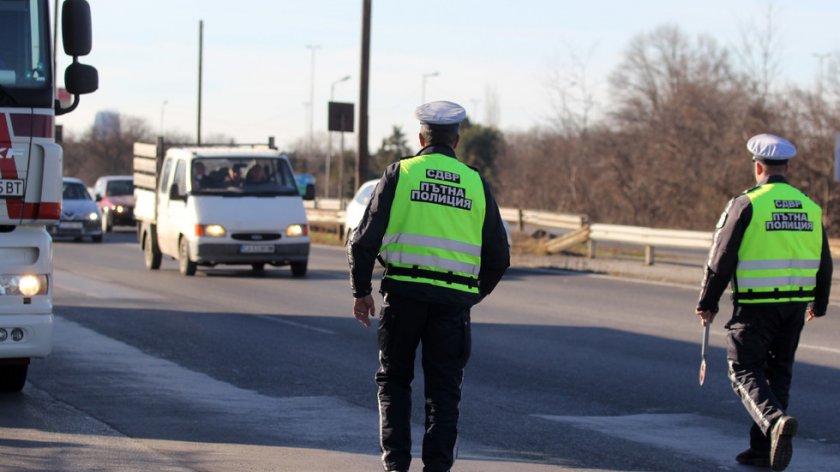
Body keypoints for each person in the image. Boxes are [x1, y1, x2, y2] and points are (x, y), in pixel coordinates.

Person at [348, 101, 510, 472]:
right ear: (456, 140)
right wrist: (471, 294)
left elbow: (363, 240)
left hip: (403, 297)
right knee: (444, 392)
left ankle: (396, 465)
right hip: (452, 304)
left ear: (421, 138)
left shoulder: (400, 173)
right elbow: (499, 256)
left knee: (394, 381)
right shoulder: (475, 182)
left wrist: (361, 291)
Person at [695, 133, 832, 471]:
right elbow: (824, 260)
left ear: (758, 167)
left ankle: (773, 422)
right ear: (787, 167)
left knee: (742, 368)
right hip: (795, 305)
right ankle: (762, 450)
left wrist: (707, 301)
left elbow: (721, 258)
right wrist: (820, 302)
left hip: (756, 306)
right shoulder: (810, 206)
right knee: (778, 374)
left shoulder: (747, 203)